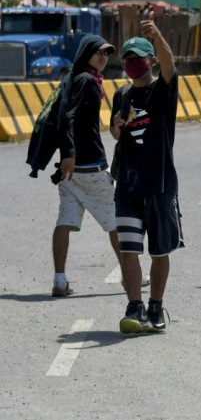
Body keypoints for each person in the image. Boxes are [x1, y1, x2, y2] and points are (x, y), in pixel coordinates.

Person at [110, 21, 183, 333]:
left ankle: (156, 305)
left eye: (138, 58)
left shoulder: (162, 90)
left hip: (160, 186)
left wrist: (158, 38)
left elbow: (171, 67)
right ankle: (134, 304)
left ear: (151, 61)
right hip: (127, 186)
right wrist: (117, 126)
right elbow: (116, 134)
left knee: (159, 251)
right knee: (128, 249)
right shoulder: (122, 95)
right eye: (127, 59)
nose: (132, 64)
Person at [51, 34, 121, 297]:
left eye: (106, 53)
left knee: (64, 222)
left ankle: (60, 280)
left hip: (69, 173)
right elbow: (68, 117)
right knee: (116, 222)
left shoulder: (73, 78)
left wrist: (67, 156)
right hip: (89, 167)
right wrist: (70, 153)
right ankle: (130, 275)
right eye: (98, 53)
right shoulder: (87, 81)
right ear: (86, 54)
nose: (103, 57)